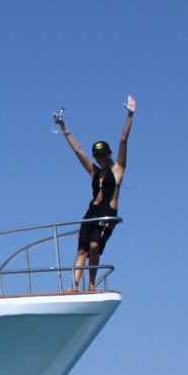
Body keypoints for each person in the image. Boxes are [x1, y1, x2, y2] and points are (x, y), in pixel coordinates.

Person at [56, 95, 136, 291]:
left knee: (94, 246)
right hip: (92, 212)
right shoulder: (95, 171)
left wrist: (130, 115)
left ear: (109, 155)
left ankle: (92, 284)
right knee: (82, 250)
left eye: (103, 155)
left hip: (107, 213)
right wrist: (64, 128)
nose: (100, 159)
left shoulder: (118, 170)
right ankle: (74, 286)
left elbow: (123, 140)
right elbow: (79, 152)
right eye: (97, 156)